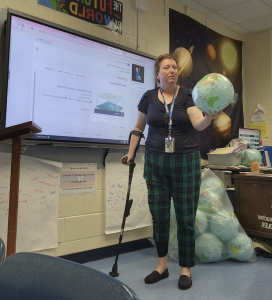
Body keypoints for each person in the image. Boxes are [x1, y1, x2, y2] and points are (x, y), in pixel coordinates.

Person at [123, 53, 222, 290]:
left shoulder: (188, 95)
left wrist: (208, 116)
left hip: (186, 161)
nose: (172, 70)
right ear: (157, 74)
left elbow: (198, 123)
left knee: (186, 217)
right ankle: (162, 266)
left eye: (174, 67)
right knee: (159, 215)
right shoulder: (148, 97)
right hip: (155, 162)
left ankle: (185, 269)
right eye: (166, 67)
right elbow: (138, 127)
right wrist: (130, 153)